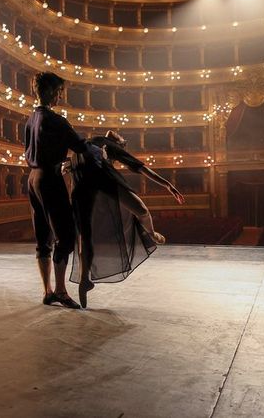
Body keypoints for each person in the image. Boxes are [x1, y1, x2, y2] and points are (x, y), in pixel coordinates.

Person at [67, 130, 184, 308]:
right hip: (102, 177)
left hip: (80, 183)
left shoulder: (84, 146)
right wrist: (168, 184)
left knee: (85, 236)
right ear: (118, 142)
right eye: (124, 142)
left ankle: (84, 279)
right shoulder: (110, 143)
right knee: (141, 210)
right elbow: (142, 168)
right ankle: (151, 234)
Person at [24, 72, 104, 309]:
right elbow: (81, 146)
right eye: (59, 91)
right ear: (49, 91)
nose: (61, 96)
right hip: (49, 178)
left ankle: (47, 291)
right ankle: (60, 290)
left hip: (33, 179)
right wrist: (103, 145)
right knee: (66, 237)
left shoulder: (30, 120)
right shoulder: (56, 121)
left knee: (42, 238)